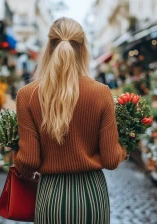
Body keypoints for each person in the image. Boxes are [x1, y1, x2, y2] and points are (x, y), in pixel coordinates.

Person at [12, 17, 127, 224]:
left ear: (49, 47)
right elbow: (111, 160)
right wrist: (125, 146)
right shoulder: (101, 93)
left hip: (51, 198)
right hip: (92, 196)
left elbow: (28, 161)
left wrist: (14, 153)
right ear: (83, 49)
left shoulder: (27, 95)